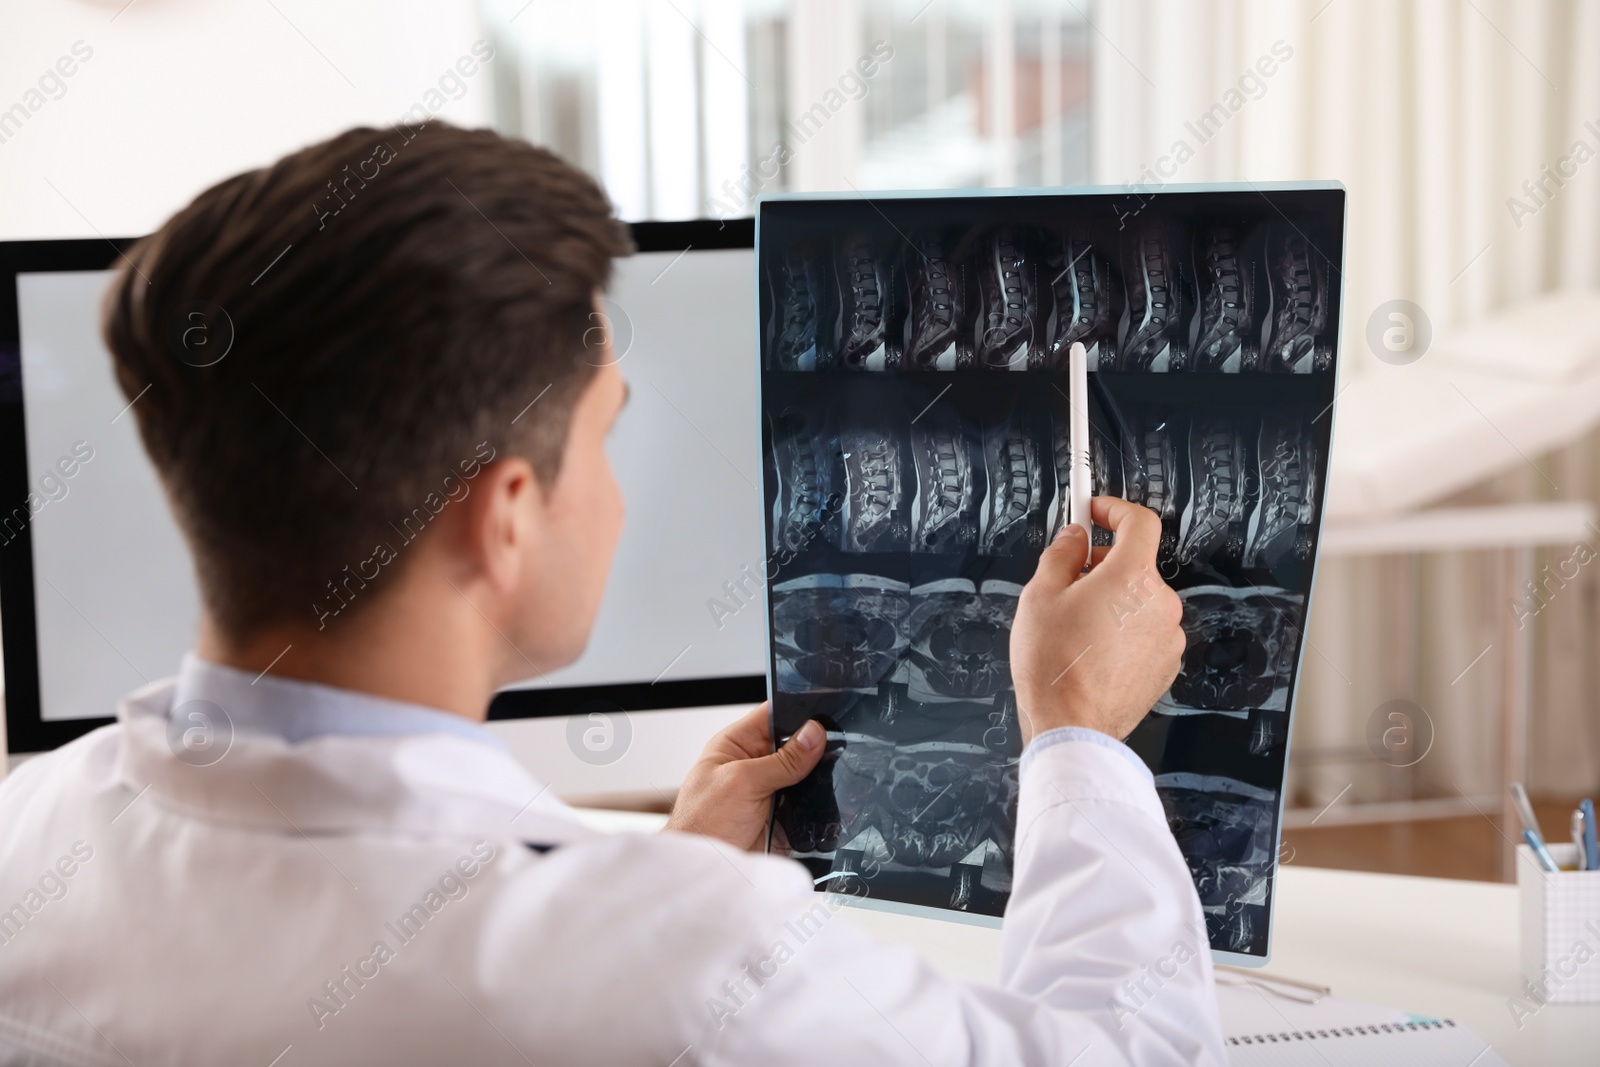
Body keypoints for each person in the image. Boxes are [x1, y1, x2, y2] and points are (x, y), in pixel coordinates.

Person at [0, 122, 1225, 1066]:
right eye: (604, 439)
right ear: (509, 514)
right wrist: (1075, 733)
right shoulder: (693, 963)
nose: (621, 502)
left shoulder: (27, 845)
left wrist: (653, 867)